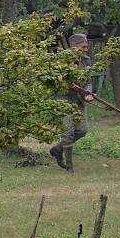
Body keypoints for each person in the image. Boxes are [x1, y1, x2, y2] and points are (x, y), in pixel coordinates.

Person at [49, 33, 94, 172]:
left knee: (82, 130)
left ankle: (57, 149)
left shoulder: (86, 60)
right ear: (74, 46)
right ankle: (69, 167)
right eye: (83, 46)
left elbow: (88, 81)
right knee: (68, 133)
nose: (86, 49)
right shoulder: (61, 60)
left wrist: (88, 93)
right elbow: (55, 80)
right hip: (62, 99)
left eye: (86, 46)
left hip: (79, 99)